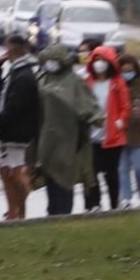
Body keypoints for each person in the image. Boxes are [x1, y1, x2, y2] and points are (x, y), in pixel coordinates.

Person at [35, 44, 98, 215]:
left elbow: (88, 106)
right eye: (47, 61)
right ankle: (52, 213)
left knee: (64, 181)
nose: (50, 64)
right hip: (47, 140)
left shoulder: (75, 82)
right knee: (50, 182)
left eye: (53, 60)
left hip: (68, 141)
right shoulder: (42, 79)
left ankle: (64, 214)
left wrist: (94, 117)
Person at [0, 33, 42, 220]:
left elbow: (14, 107)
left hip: (18, 131)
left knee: (17, 171)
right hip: (9, 131)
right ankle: (12, 210)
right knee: (5, 171)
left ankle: (20, 212)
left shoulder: (24, 75)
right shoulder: (14, 71)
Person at [80, 45, 130, 211]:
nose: (99, 64)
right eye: (97, 60)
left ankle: (115, 203)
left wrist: (120, 122)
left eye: (103, 60)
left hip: (113, 137)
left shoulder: (117, 83)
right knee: (92, 172)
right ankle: (95, 204)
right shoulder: (87, 82)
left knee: (111, 173)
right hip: (92, 136)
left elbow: (125, 106)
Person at [117, 53, 140, 208]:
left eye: (130, 70)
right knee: (122, 168)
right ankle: (126, 197)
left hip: (139, 133)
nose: (127, 73)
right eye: (124, 70)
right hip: (120, 134)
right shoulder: (116, 84)